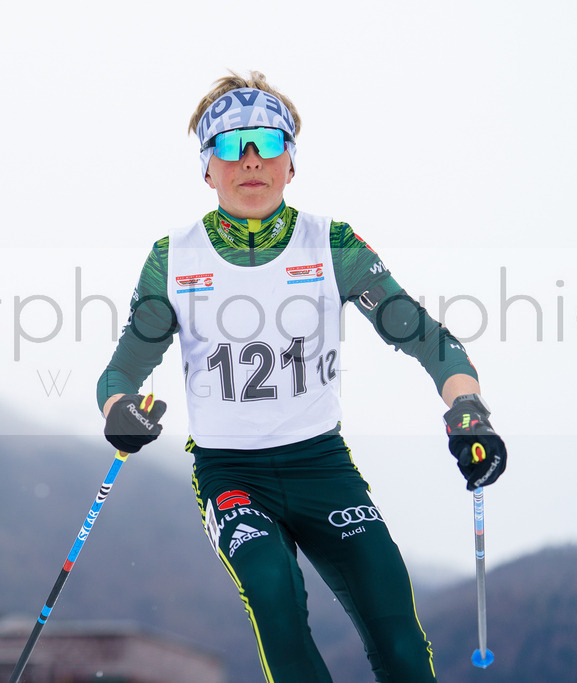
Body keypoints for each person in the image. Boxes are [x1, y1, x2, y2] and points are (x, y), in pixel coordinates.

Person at [96, 71, 507, 682]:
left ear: (293, 161)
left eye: (268, 141)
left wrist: (468, 412)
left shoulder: (330, 244)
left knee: (395, 625)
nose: (251, 161)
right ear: (207, 168)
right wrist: (119, 413)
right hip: (231, 471)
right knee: (273, 593)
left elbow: (425, 337)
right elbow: (123, 372)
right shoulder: (174, 257)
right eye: (231, 146)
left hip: (321, 467)